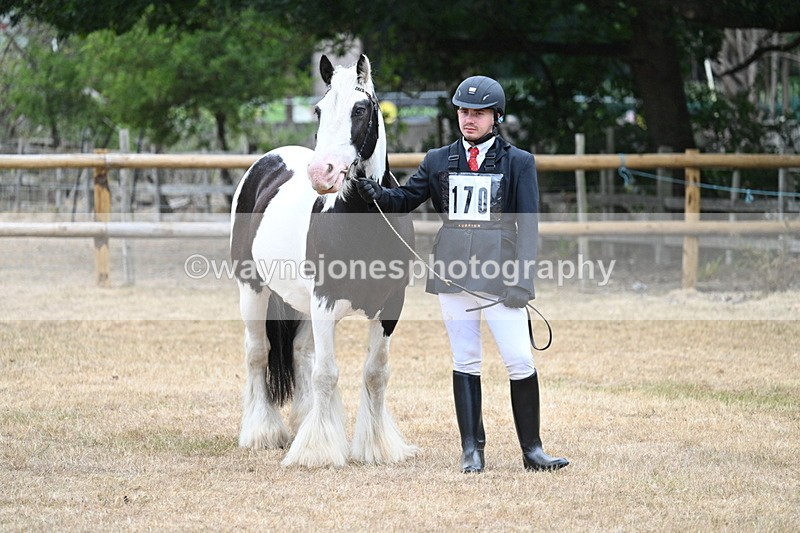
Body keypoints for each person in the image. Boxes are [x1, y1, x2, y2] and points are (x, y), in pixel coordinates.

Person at [356, 75, 569, 473]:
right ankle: (472, 450)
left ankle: (533, 449)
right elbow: (406, 198)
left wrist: (523, 281)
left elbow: (529, 227)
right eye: (464, 111)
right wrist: (378, 194)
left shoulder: (518, 162)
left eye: (478, 113)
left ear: (496, 117)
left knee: (520, 360)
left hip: (500, 278)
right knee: (465, 360)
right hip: (453, 274)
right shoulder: (438, 160)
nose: (469, 119)